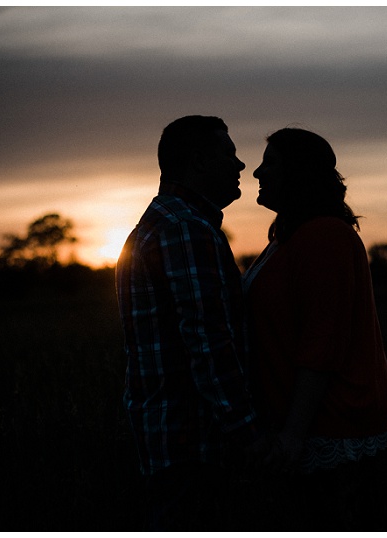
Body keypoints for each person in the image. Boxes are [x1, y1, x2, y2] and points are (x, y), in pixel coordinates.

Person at [242, 127, 387, 530]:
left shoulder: (325, 235)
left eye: (270, 163)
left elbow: (322, 343)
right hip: (307, 425)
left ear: (298, 173)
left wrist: (294, 434)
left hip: (332, 426)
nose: (257, 172)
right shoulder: (289, 238)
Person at [116, 115, 260, 530]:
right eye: (229, 155)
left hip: (170, 440)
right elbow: (208, 340)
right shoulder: (185, 229)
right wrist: (248, 431)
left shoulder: (164, 223)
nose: (241, 166)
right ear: (199, 161)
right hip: (191, 444)